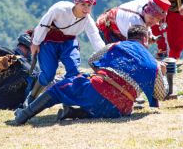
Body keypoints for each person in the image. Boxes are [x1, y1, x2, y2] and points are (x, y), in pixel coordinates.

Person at [14, 25, 168, 125]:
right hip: (120, 110)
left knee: (59, 88)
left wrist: (102, 74)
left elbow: (93, 60)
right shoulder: (154, 65)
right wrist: (162, 74)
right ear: (145, 39)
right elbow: (161, 95)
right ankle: (72, 112)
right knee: (99, 105)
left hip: (99, 88)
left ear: (129, 38)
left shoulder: (116, 46)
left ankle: (24, 115)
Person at [24, 0, 105, 107]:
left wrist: (105, 55)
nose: (86, 9)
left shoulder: (88, 20)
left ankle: (68, 102)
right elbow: (43, 24)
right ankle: (32, 97)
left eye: (89, 5)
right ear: (76, 2)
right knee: (48, 75)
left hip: (69, 43)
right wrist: (35, 43)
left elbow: (95, 38)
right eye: (83, 4)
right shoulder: (59, 9)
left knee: (73, 71)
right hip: (49, 41)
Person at [96, 0, 171, 44]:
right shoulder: (135, 20)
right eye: (152, 18)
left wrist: (149, 34)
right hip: (108, 29)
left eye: (158, 19)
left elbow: (146, 23)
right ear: (146, 11)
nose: (154, 22)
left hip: (121, 27)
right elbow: (137, 49)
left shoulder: (145, 4)